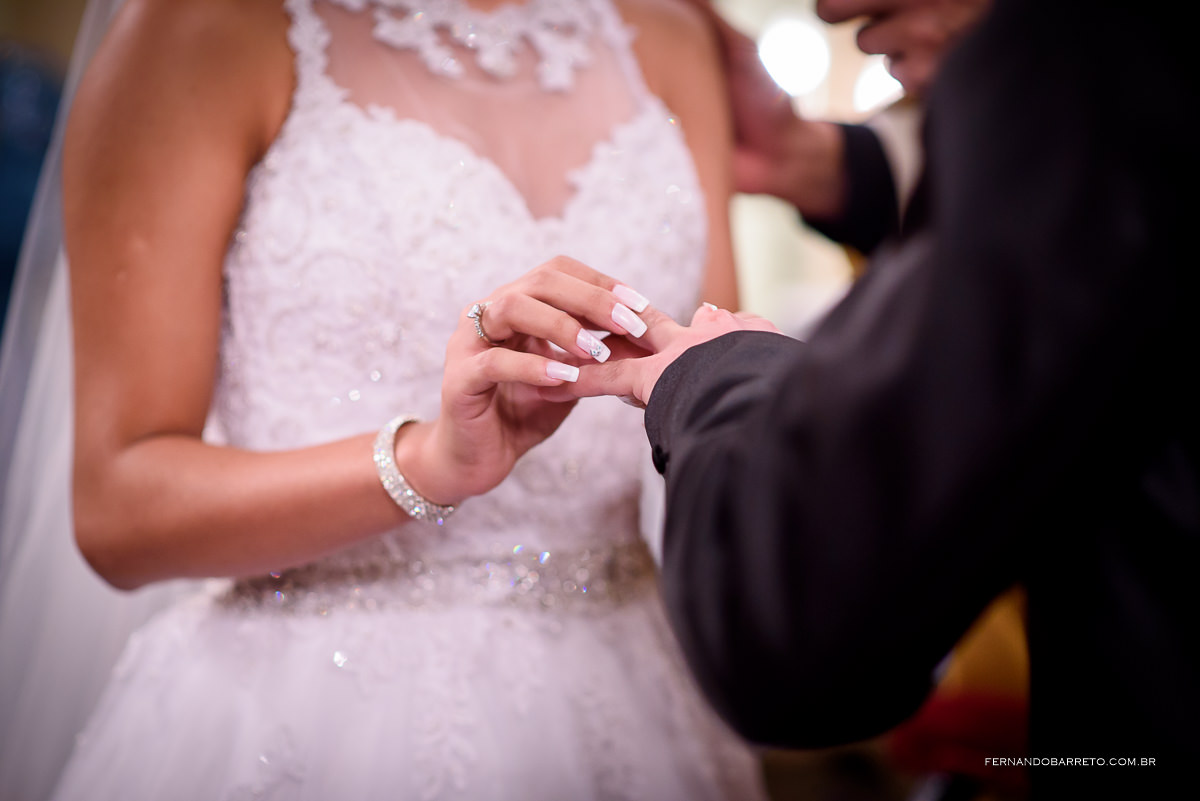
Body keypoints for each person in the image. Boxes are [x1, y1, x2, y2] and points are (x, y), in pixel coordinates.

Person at [0, 0, 769, 798]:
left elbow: (716, 419)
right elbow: (119, 510)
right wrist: (426, 463)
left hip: (639, 698)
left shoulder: (671, 37)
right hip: (303, 714)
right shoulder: (206, 29)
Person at [565, 0, 1199, 796]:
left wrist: (710, 377)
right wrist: (823, 165)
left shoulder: (1090, 54)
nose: (834, 10)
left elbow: (794, 616)